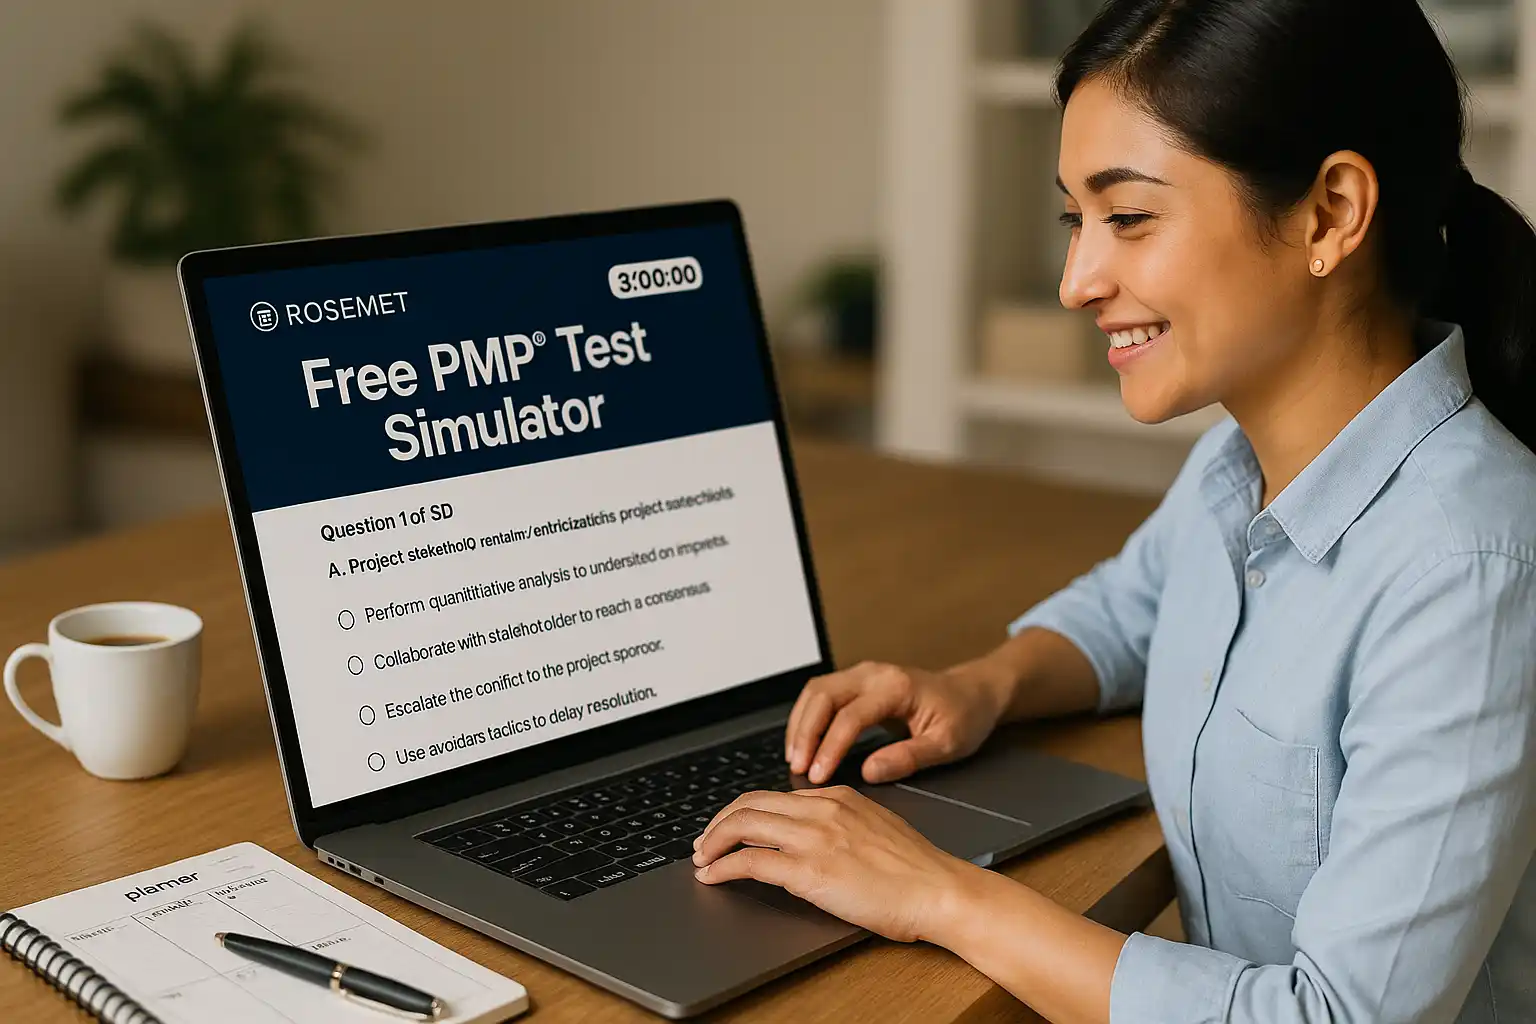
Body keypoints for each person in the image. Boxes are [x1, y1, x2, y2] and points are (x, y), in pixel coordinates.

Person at [689, 1, 1536, 1020]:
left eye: (1128, 217)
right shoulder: (1243, 463)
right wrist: (981, 684)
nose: (1076, 280)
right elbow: (1132, 606)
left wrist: (938, 893)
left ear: (1330, 213)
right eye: (1073, 220)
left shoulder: (1471, 569)